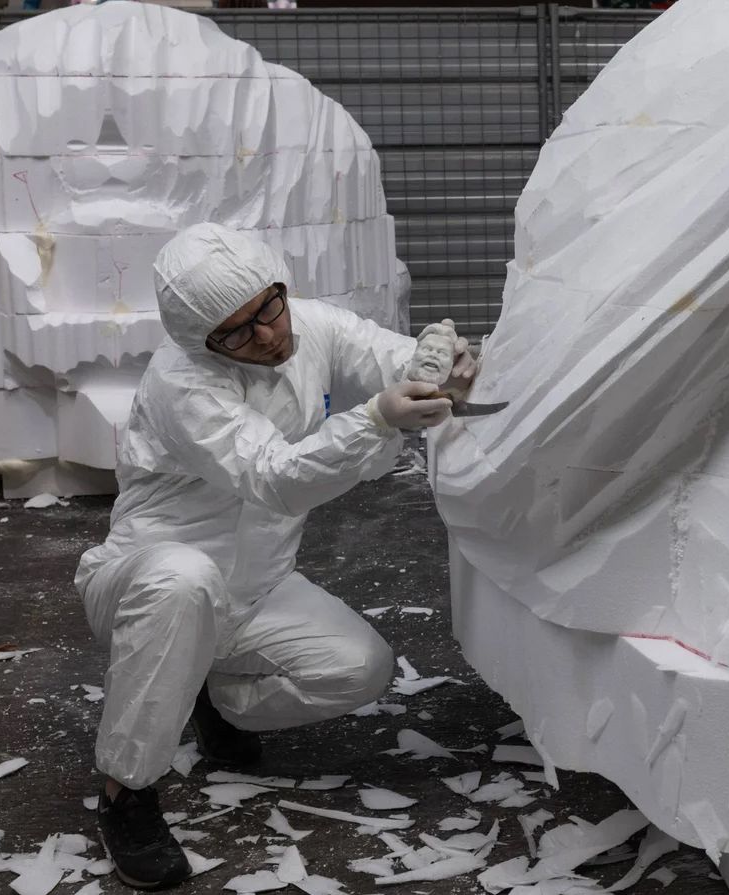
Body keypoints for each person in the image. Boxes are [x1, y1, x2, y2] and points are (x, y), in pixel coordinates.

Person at [75, 223, 474, 889]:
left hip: (255, 586)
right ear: (201, 341)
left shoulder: (309, 324)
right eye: (235, 333)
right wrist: (376, 419)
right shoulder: (183, 382)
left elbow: (388, 357)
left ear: (278, 286)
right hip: (147, 581)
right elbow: (273, 476)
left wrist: (441, 366)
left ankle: (211, 696)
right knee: (185, 579)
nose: (266, 335)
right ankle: (125, 792)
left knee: (360, 669)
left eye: (268, 308)